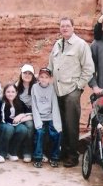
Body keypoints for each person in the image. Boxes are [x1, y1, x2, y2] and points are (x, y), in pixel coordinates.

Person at [47, 17, 94, 167]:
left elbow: (89, 69)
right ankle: (63, 151)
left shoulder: (81, 45)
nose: (65, 28)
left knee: (71, 124)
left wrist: (78, 86)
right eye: (62, 26)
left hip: (71, 91)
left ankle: (73, 156)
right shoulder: (57, 44)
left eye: (68, 26)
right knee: (60, 123)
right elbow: (50, 66)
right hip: (57, 89)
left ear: (73, 27)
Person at [31, 68, 62, 168]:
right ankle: (38, 158)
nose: (44, 79)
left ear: (50, 79)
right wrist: (38, 122)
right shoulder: (34, 88)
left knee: (56, 133)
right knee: (40, 133)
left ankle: (54, 157)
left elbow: (55, 105)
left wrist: (56, 122)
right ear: (38, 77)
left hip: (50, 117)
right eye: (41, 77)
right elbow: (34, 106)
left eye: (46, 77)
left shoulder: (52, 88)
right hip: (39, 117)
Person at [0, 84, 31, 163]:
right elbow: (2, 120)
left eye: (13, 92)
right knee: (9, 128)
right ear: (4, 93)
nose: (10, 94)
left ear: (16, 93)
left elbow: (30, 113)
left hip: (13, 125)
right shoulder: (1, 103)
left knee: (23, 129)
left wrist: (21, 115)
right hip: (2, 126)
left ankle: (12, 152)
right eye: (8, 92)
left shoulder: (19, 102)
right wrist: (15, 122)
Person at [15, 63, 37, 163]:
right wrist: (21, 115)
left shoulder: (36, 87)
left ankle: (27, 152)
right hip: (19, 113)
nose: (27, 75)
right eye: (25, 73)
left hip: (34, 114)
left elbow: (38, 107)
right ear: (21, 74)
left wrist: (27, 116)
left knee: (30, 125)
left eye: (30, 73)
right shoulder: (16, 86)